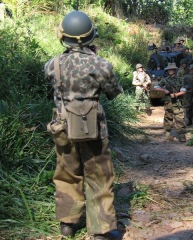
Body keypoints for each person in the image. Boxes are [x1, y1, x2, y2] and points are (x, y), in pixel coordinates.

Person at [44, 10, 123, 239]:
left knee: (66, 173)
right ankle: (100, 230)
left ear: (64, 35)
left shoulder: (52, 64)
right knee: (99, 175)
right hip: (94, 128)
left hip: (62, 126)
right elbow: (113, 93)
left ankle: (68, 224)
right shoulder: (101, 64)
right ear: (91, 36)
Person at [153, 62, 187, 142]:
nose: (170, 71)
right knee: (168, 117)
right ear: (167, 71)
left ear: (174, 70)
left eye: (172, 69)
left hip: (177, 102)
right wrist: (164, 90)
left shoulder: (180, 80)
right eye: (169, 70)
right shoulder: (165, 80)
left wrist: (176, 94)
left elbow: (184, 90)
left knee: (179, 118)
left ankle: (181, 135)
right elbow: (156, 87)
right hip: (168, 102)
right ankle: (168, 134)